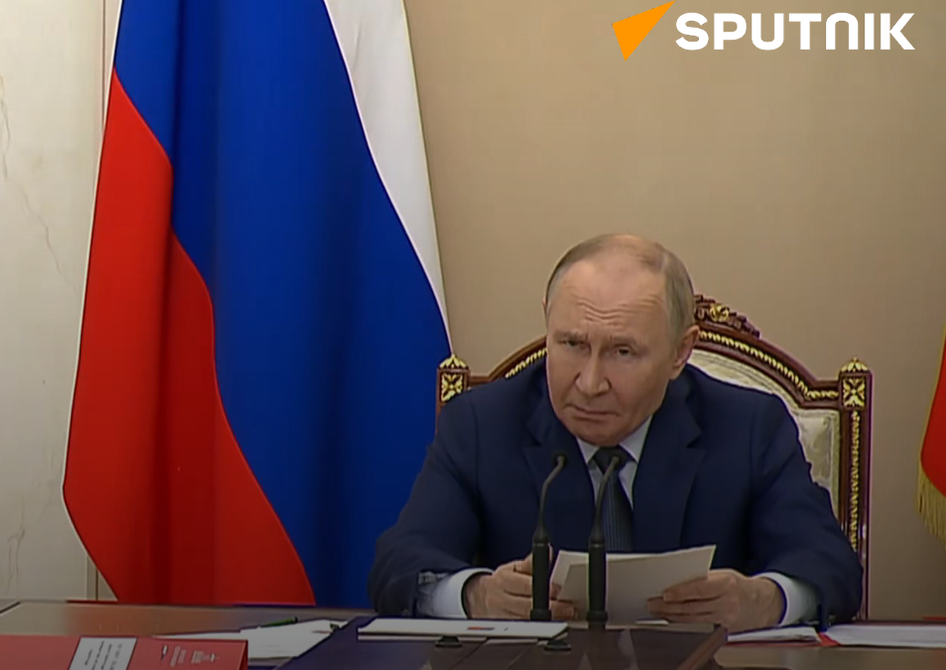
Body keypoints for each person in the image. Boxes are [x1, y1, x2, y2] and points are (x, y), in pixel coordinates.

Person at [368, 234, 862, 632]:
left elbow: (830, 564)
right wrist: (476, 596)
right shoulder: (481, 425)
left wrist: (765, 600)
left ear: (680, 352)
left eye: (623, 352)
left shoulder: (749, 428)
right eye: (572, 344)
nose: (589, 383)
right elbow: (398, 565)